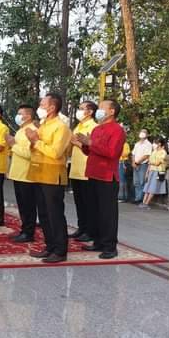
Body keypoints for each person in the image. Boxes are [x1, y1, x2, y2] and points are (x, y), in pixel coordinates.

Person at [74, 99, 126, 259]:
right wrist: (84, 144)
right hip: (92, 173)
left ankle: (110, 246)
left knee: (107, 213)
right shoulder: (97, 129)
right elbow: (90, 151)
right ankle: (98, 241)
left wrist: (90, 142)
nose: (99, 110)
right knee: (94, 211)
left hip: (107, 176)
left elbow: (112, 153)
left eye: (103, 107)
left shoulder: (117, 130)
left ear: (112, 111)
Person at [25, 93, 72, 263]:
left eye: (43, 105)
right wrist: (32, 141)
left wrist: (36, 141)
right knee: (43, 213)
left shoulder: (61, 127)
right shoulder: (43, 125)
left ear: (52, 108)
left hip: (52, 174)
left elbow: (56, 152)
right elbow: (35, 148)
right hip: (39, 172)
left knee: (55, 214)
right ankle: (50, 246)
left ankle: (60, 250)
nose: (40, 107)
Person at [6, 105, 39, 243]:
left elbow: (30, 154)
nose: (18, 116)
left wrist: (13, 145)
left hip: (27, 174)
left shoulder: (32, 130)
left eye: (21, 114)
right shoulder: (20, 130)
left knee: (28, 206)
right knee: (22, 205)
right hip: (18, 173)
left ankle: (29, 233)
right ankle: (24, 230)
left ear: (29, 116)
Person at [68, 101, 98, 242]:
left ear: (90, 112)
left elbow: (92, 148)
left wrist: (76, 143)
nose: (79, 111)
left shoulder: (94, 127)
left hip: (86, 170)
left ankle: (90, 231)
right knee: (79, 202)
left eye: (82, 109)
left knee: (88, 203)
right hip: (75, 169)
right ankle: (81, 228)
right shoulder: (78, 126)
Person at [140, 137, 168, 209]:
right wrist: (147, 173)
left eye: (156, 143)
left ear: (160, 144)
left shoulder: (163, 152)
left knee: (153, 188)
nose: (154, 144)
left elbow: (158, 163)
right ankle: (143, 202)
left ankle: (147, 203)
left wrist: (151, 163)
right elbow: (150, 163)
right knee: (147, 187)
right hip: (151, 171)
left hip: (158, 171)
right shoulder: (154, 151)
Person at [132, 129, 152, 204]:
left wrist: (137, 162)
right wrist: (133, 162)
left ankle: (141, 199)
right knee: (136, 182)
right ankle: (137, 198)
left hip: (143, 165)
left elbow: (147, 155)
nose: (142, 133)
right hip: (135, 164)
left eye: (144, 132)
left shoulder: (148, 144)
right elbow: (133, 154)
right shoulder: (137, 144)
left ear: (147, 135)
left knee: (142, 182)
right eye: (141, 131)